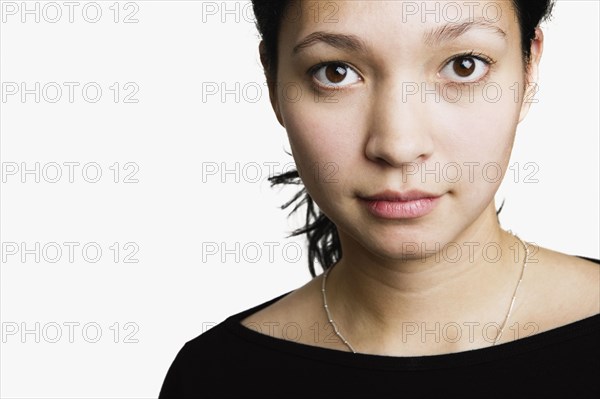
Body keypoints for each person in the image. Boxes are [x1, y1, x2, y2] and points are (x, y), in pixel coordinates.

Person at [159, 1, 599, 397]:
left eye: (464, 65)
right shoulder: (214, 378)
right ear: (272, 81)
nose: (398, 145)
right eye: (335, 72)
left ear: (528, 70)